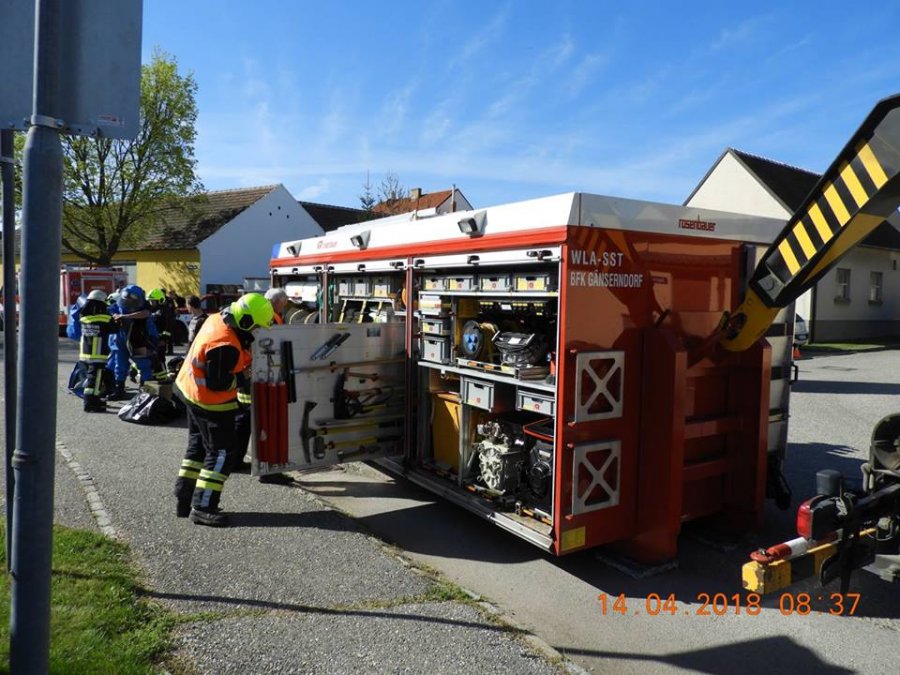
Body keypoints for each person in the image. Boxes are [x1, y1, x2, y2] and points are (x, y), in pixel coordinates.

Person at [173, 293, 274, 527]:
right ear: (247, 322)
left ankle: (184, 497)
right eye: (257, 327)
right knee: (221, 453)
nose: (257, 332)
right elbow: (219, 383)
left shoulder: (219, 318)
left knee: (198, 449)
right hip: (210, 402)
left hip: (190, 392)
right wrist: (243, 376)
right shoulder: (225, 345)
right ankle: (203, 507)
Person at [107, 284, 166, 400]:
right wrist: (115, 316)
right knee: (120, 365)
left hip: (138, 340)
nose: (129, 303)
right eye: (127, 300)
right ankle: (119, 390)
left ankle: (146, 392)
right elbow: (111, 311)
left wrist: (125, 316)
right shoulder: (118, 305)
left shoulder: (144, 307)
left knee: (144, 365)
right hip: (120, 341)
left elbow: (145, 314)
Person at [75, 290, 115, 412]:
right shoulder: (105, 318)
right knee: (95, 380)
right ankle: (90, 403)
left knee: (90, 378)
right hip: (97, 354)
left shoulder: (84, 317)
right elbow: (115, 329)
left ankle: (92, 400)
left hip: (85, 353)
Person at [148, 287, 177, 363]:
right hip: (152, 340)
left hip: (160, 340)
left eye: (152, 300)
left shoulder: (164, 311)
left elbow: (168, 327)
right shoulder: (152, 310)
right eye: (150, 300)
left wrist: (163, 339)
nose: (150, 302)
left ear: (159, 300)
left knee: (160, 360)